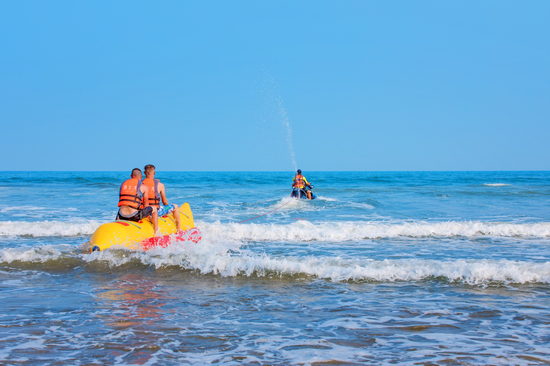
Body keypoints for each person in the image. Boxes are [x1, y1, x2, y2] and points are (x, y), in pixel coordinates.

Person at [117, 168, 160, 236]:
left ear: (131, 176)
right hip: (134, 216)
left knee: (123, 206)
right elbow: (146, 205)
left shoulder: (123, 185)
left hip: (121, 216)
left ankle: (116, 224)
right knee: (154, 208)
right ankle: (156, 231)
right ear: (140, 177)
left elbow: (122, 200)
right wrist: (149, 217)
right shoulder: (143, 186)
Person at [142, 164, 182, 232]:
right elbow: (165, 202)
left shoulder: (140, 184)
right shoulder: (160, 185)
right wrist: (167, 212)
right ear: (154, 173)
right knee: (175, 206)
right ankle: (179, 229)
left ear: (144, 173)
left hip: (144, 211)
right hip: (157, 211)